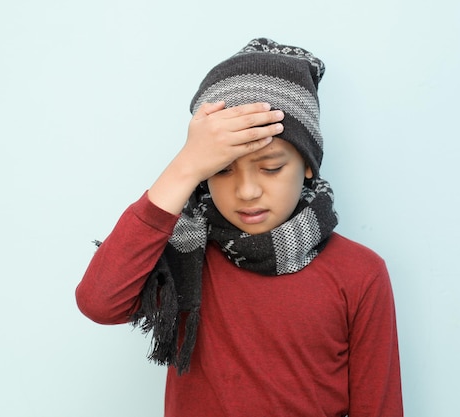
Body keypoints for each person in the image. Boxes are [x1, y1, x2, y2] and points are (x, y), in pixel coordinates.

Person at [76, 37, 403, 417]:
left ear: (309, 164)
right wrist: (184, 167)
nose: (247, 191)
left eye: (271, 167)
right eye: (222, 169)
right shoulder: (186, 253)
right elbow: (99, 302)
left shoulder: (359, 273)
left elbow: (379, 407)